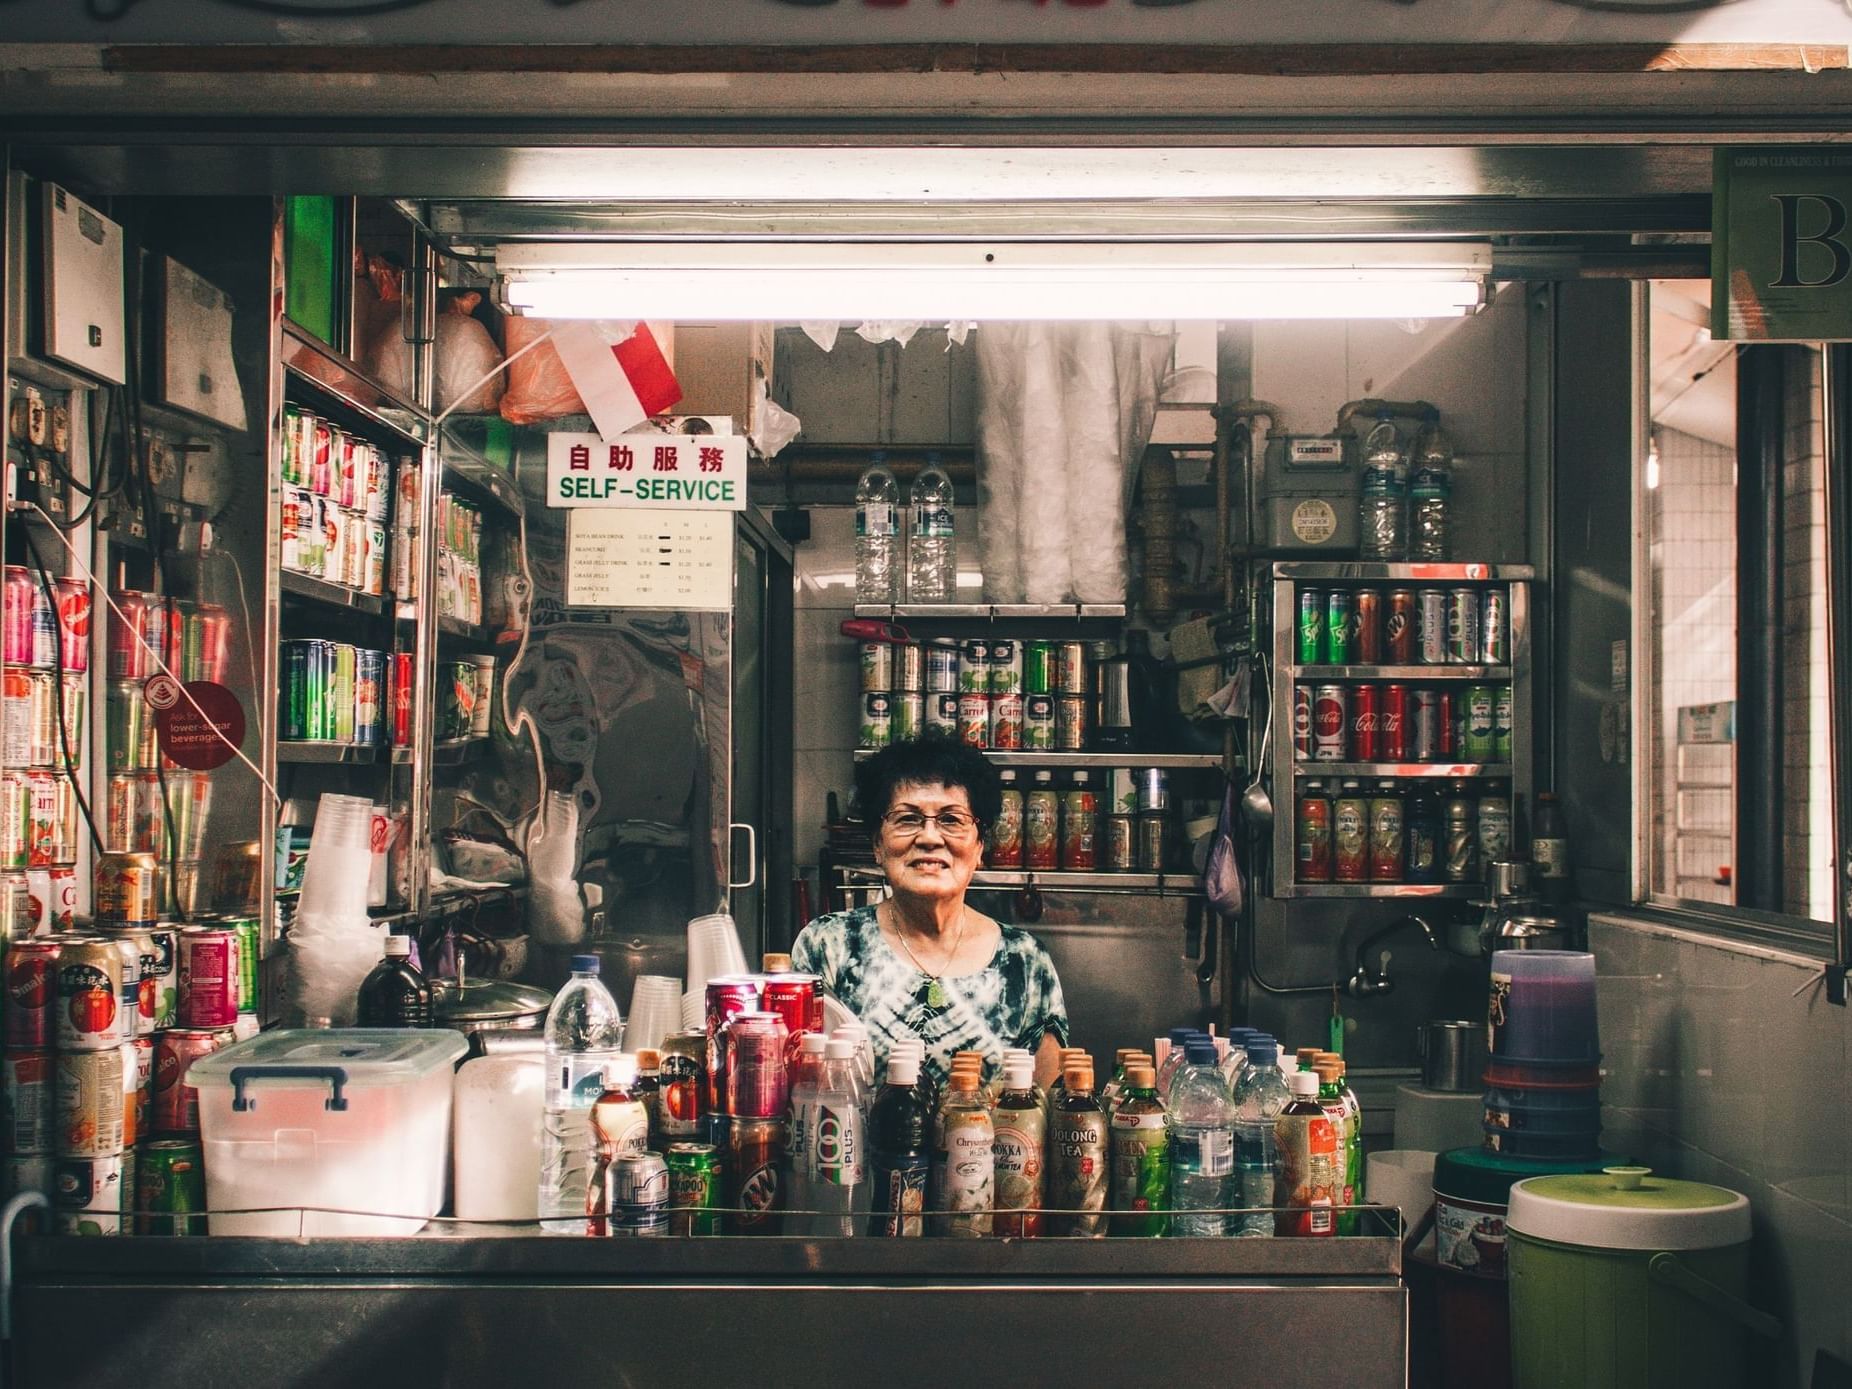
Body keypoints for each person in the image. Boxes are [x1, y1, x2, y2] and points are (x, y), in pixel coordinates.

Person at [793, 736, 1069, 1089]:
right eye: (907, 819)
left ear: (980, 846)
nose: (929, 837)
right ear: (878, 844)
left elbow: (1048, 1105)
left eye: (951, 820)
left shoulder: (1025, 960)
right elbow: (802, 1089)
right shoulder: (828, 946)